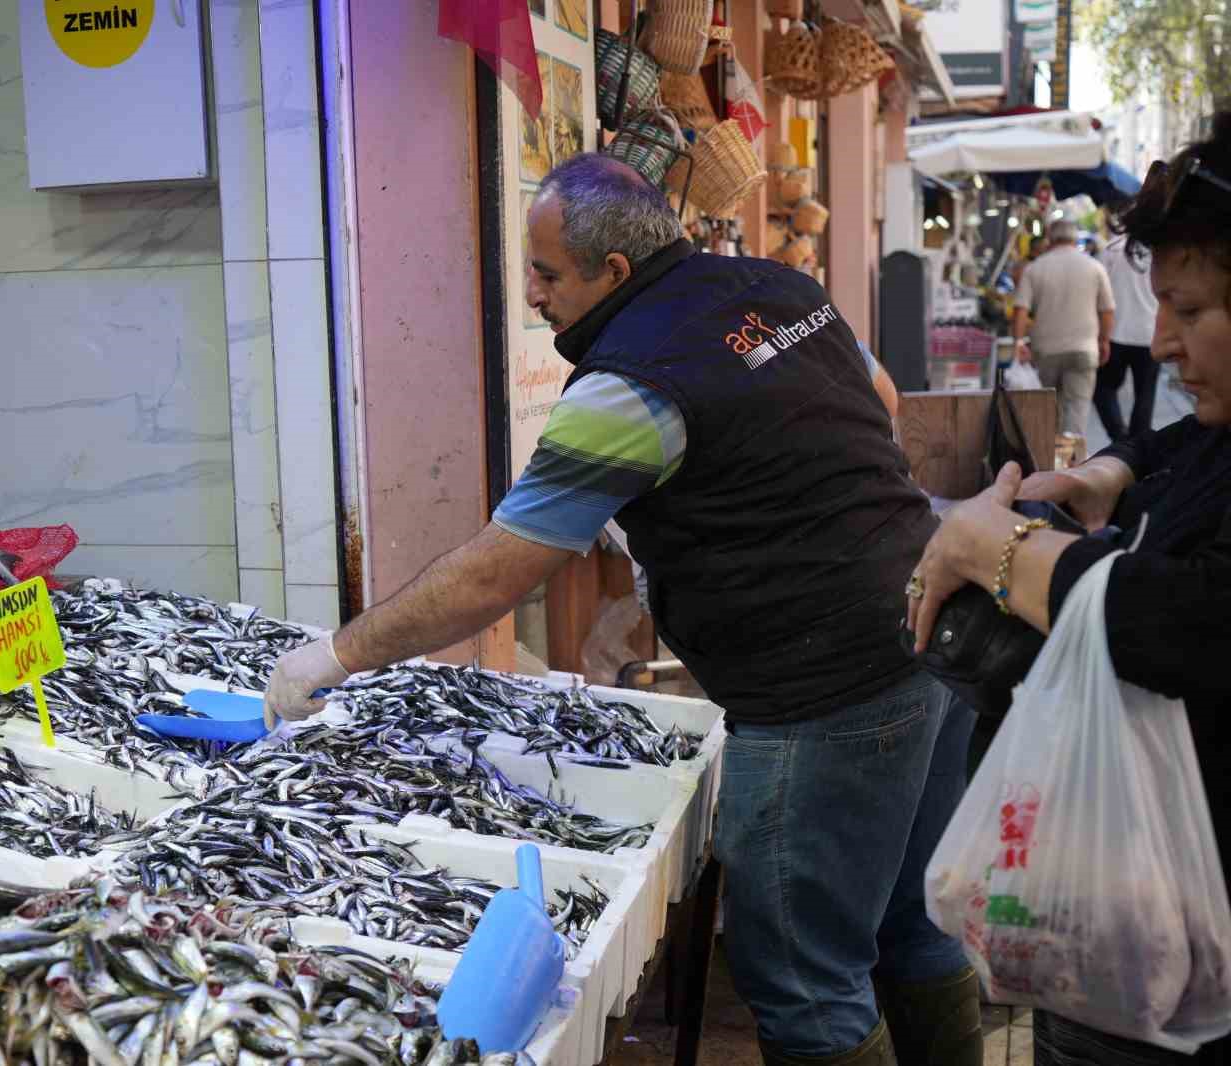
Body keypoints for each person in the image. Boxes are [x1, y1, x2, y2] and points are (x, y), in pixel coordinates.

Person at [264, 154, 982, 1066]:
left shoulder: (626, 383)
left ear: (614, 273)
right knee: (916, 925)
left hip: (826, 696)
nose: (531, 294)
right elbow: (878, 403)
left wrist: (333, 654)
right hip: (935, 626)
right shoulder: (778, 285)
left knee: (807, 981)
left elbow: (496, 574)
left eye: (548, 273)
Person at [906, 111, 1231, 1066]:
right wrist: (1117, 469)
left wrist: (992, 547)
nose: (1161, 344)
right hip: (1143, 919)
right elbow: (1192, 441)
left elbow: (1182, 625)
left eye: (1193, 312)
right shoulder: (1214, 425)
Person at [1012, 219, 1117, 435]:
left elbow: (1020, 309)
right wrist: (1104, 340)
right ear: (1074, 238)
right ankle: (1072, 462)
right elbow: (1107, 310)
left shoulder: (1035, 268)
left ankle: (1048, 458)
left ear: (1050, 238)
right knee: (1077, 411)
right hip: (1084, 349)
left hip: (1045, 351)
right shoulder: (1094, 267)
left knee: (1049, 410)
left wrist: (1019, 342)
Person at [1094, 215, 1161, 442]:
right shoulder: (1158, 250)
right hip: (1149, 333)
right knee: (1145, 393)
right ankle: (1137, 445)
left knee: (1103, 388)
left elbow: (1099, 293)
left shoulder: (1111, 250)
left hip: (1116, 332)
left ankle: (1120, 437)